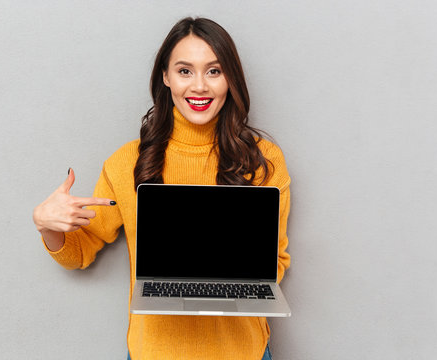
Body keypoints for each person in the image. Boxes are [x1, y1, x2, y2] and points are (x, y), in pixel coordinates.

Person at [32, 17, 290, 360]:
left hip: (243, 353)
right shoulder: (126, 162)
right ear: (166, 77)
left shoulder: (262, 159)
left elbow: (277, 262)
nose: (199, 86)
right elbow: (79, 252)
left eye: (214, 71)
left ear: (230, 77)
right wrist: (46, 225)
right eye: (185, 71)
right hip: (153, 353)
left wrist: (227, 279)